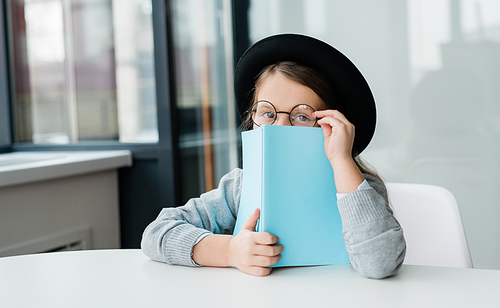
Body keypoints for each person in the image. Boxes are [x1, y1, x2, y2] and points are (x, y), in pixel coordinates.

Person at [141, 34, 406, 278]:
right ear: (251, 120)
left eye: (302, 116)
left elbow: (380, 263)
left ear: (333, 126)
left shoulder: (361, 188)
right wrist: (231, 250)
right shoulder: (239, 187)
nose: (279, 128)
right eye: (267, 113)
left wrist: (342, 160)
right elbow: (156, 233)